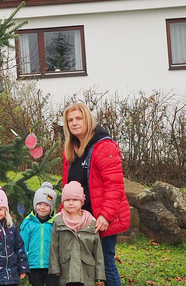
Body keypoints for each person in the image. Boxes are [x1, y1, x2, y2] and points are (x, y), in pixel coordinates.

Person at [62, 102, 130, 286]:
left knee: (106, 263)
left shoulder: (104, 146)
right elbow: (67, 185)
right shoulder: (71, 148)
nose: (74, 123)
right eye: (70, 120)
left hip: (101, 218)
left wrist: (106, 216)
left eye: (78, 118)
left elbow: (114, 185)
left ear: (88, 119)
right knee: (83, 264)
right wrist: (63, 213)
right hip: (80, 218)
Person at [48, 181, 105, 286]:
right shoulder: (59, 221)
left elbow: (98, 252)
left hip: (86, 272)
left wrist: (100, 276)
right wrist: (54, 268)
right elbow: (54, 247)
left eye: (75, 200)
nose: (70, 203)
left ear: (82, 202)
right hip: (66, 271)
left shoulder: (91, 223)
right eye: (67, 200)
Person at [19, 182, 59, 286]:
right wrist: (22, 263)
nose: (42, 207)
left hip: (52, 266)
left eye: (47, 205)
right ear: (35, 204)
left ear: (52, 207)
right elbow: (22, 244)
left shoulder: (55, 224)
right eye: (39, 204)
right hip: (34, 265)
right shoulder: (28, 223)